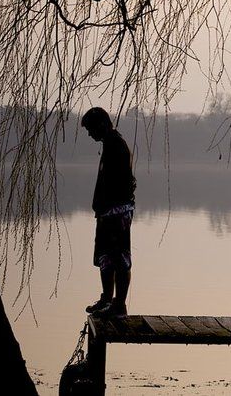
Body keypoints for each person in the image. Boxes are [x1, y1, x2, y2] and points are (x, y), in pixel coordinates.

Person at [81, 107, 136, 317]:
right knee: (105, 257)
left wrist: (110, 206)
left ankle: (119, 305)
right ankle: (107, 299)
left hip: (117, 212)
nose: (90, 134)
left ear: (102, 124)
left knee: (119, 258)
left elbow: (121, 183)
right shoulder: (110, 144)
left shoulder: (116, 145)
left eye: (91, 129)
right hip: (107, 212)